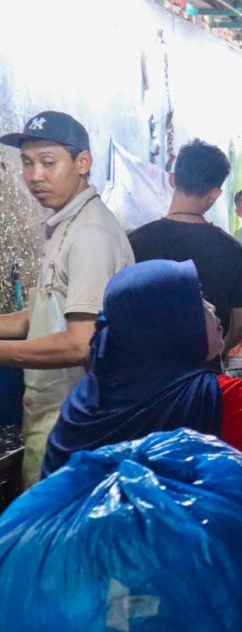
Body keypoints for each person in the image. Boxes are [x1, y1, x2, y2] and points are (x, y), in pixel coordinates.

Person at [41, 260, 242, 484]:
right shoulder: (217, 398)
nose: (210, 306)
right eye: (197, 299)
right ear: (169, 323)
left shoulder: (85, 398)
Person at [0, 111, 135, 487]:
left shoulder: (90, 234)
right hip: (53, 416)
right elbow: (42, 316)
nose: (34, 176)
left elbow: (80, 343)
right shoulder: (66, 224)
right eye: (27, 163)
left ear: (82, 162)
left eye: (48, 162)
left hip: (74, 425)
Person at [129, 140, 242, 361]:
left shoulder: (135, 241)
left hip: (147, 374)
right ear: (215, 193)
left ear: (172, 180)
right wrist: (218, 352)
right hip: (205, 377)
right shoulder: (230, 248)